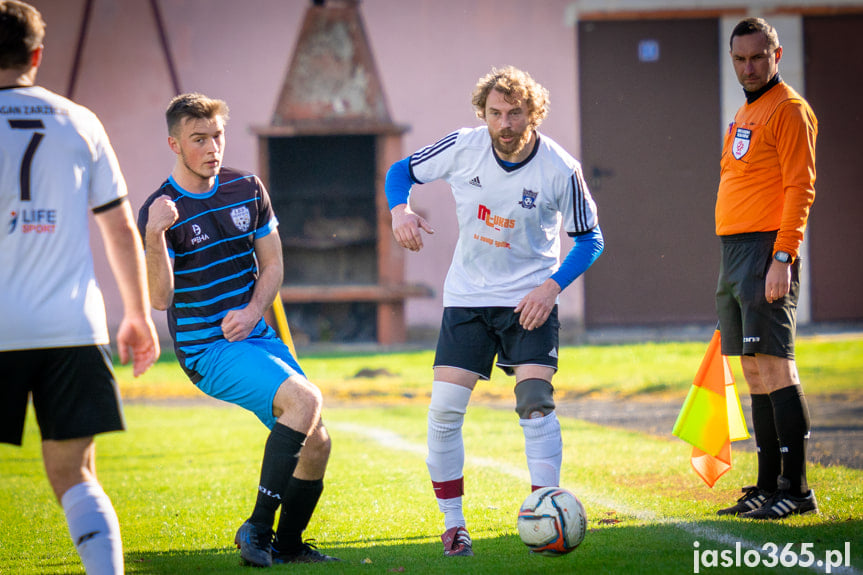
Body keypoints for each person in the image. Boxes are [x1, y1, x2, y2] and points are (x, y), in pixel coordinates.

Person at [385, 66, 604, 556]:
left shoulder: (559, 168)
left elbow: (591, 239)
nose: (504, 123)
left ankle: (544, 512)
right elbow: (400, 172)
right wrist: (400, 210)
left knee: (533, 400)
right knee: (444, 411)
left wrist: (551, 288)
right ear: (483, 114)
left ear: (534, 113)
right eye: (495, 113)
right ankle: (453, 523)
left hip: (529, 299)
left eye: (515, 112)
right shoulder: (463, 146)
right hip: (467, 298)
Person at [137, 92, 337, 567]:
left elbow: (273, 265)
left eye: (217, 136)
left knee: (317, 442)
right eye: (198, 139)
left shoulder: (248, 187)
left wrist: (251, 312)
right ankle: (258, 529)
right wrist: (152, 235)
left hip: (253, 333)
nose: (212, 148)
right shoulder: (161, 208)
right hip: (206, 347)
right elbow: (160, 299)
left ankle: (287, 546)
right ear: (174, 144)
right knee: (305, 401)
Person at [0, 1, 161, 573]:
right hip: (70, 327)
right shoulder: (80, 121)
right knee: (76, 475)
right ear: (37, 56)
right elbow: (119, 226)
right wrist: (137, 313)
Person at [714, 18, 818, 519]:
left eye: (758, 57)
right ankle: (765, 485)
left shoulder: (789, 110)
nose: (749, 67)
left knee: (776, 365)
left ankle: (795, 489)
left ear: (776, 54)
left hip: (764, 253)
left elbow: (801, 187)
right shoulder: (745, 110)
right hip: (735, 254)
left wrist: (782, 256)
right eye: (740, 59)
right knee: (753, 371)